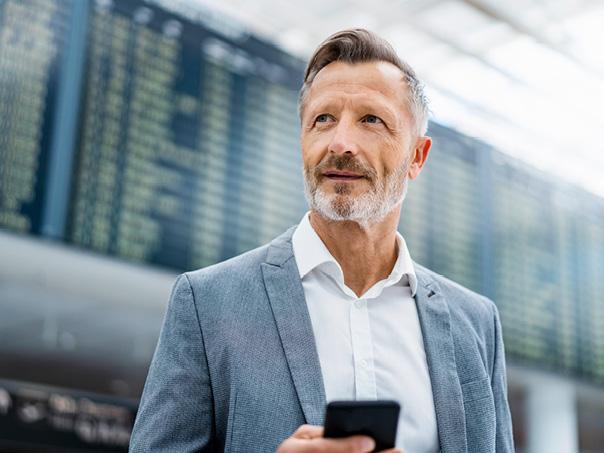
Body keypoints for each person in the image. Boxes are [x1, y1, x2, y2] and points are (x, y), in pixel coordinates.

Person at [129, 29, 514, 453]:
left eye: (371, 120)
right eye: (323, 119)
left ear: (417, 157)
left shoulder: (477, 324)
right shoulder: (208, 303)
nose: (341, 143)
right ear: (303, 141)